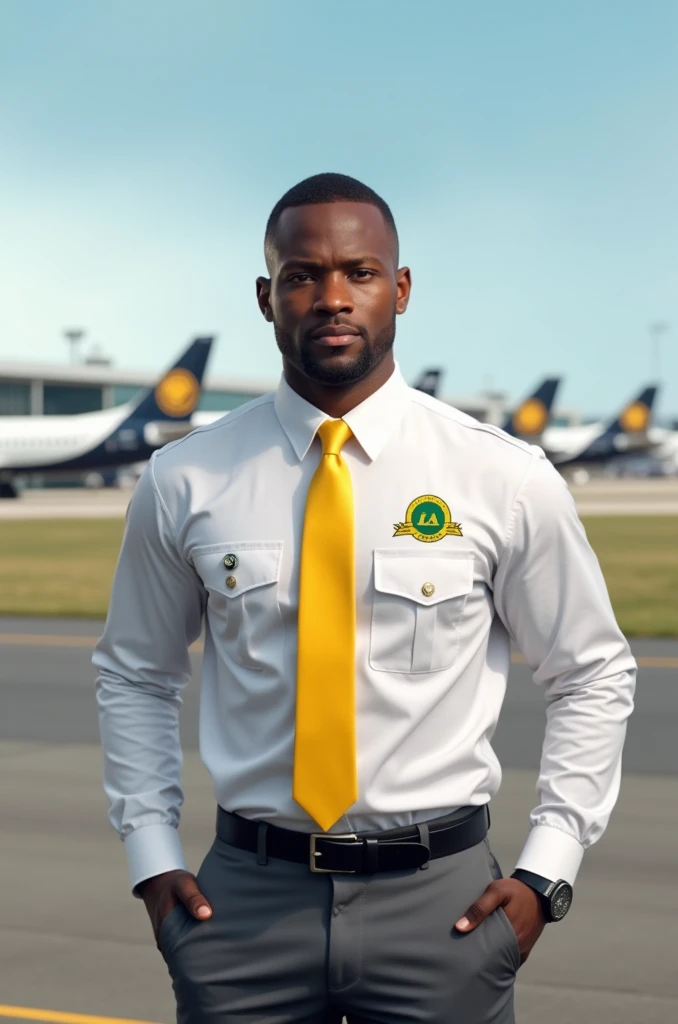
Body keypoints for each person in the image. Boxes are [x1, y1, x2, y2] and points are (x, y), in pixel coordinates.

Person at [94, 172, 636, 1024]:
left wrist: (546, 871)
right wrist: (151, 857)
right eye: (304, 276)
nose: (333, 298)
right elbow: (134, 674)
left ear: (402, 288)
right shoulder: (185, 479)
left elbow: (593, 673)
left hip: (445, 908)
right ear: (268, 297)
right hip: (243, 907)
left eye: (361, 272)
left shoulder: (501, 476)